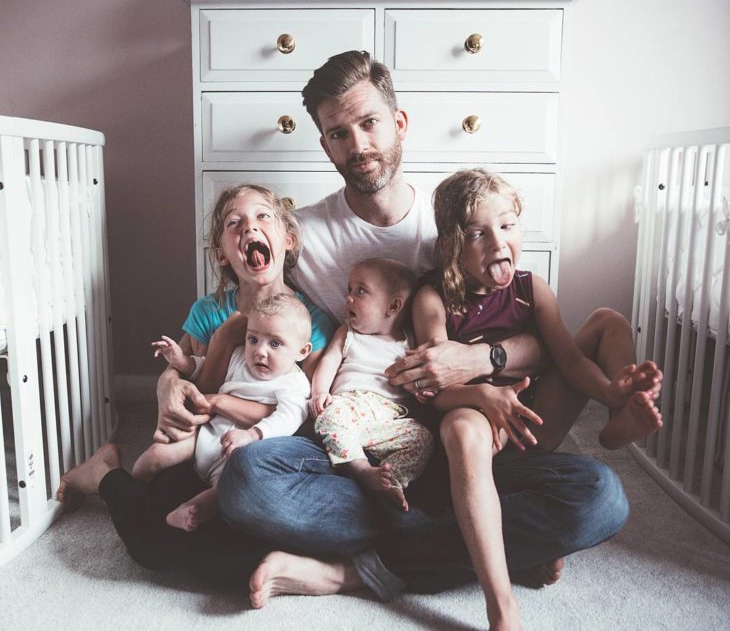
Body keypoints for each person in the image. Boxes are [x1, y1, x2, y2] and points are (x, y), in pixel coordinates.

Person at [58, 51, 629, 616]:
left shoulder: (457, 227)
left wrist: (483, 360)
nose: (357, 145)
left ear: (399, 123)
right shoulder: (300, 231)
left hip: (455, 442)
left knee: (601, 497)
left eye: (368, 123)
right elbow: (240, 303)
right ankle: (482, 545)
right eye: (338, 133)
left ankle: (351, 570)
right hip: (345, 452)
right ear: (325, 145)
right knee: (248, 481)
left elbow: (542, 337)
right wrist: (168, 380)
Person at [410, 168, 663, 628]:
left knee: (608, 320)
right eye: (478, 233)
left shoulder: (532, 290)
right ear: (449, 245)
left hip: (530, 421)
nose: (498, 242)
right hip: (476, 432)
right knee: (463, 425)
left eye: (507, 226)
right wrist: (485, 396)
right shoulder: (433, 297)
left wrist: (608, 386)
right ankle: (500, 602)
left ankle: (617, 418)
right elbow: (436, 390)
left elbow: (568, 361)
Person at [56, 183, 333, 582]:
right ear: (223, 253)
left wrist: (240, 420)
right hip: (202, 445)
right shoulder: (210, 311)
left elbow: (304, 414)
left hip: (258, 458)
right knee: (155, 547)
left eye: (262, 217)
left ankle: (106, 476)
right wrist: (225, 338)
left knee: (244, 557)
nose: (249, 229)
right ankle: (106, 473)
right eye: (234, 223)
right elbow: (193, 386)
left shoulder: (313, 323)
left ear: (286, 239)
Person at [132, 294, 313, 531]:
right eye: (253, 339)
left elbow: (289, 418)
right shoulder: (240, 358)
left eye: (275, 343)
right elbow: (202, 366)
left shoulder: (293, 384)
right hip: (206, 434)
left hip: (238, 452)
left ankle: (191, 510)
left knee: (224, 491)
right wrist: (181, 361)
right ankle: (134, 487)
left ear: (302, 351)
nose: (260, 351)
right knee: (157, 454)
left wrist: (253, 435)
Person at [311, 258, 433, 511]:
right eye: (349, 290)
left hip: (389, 420)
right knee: (330, 415)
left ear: (393, 306)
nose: (348, 298)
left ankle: (392, 481)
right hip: (350, 407)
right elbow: (330, 359)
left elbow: (417, 380)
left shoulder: (408, 344)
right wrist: (320, 391)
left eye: (361, 291)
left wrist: (422, 393)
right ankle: (361, 469)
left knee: (422, 438)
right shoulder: (348, 333)